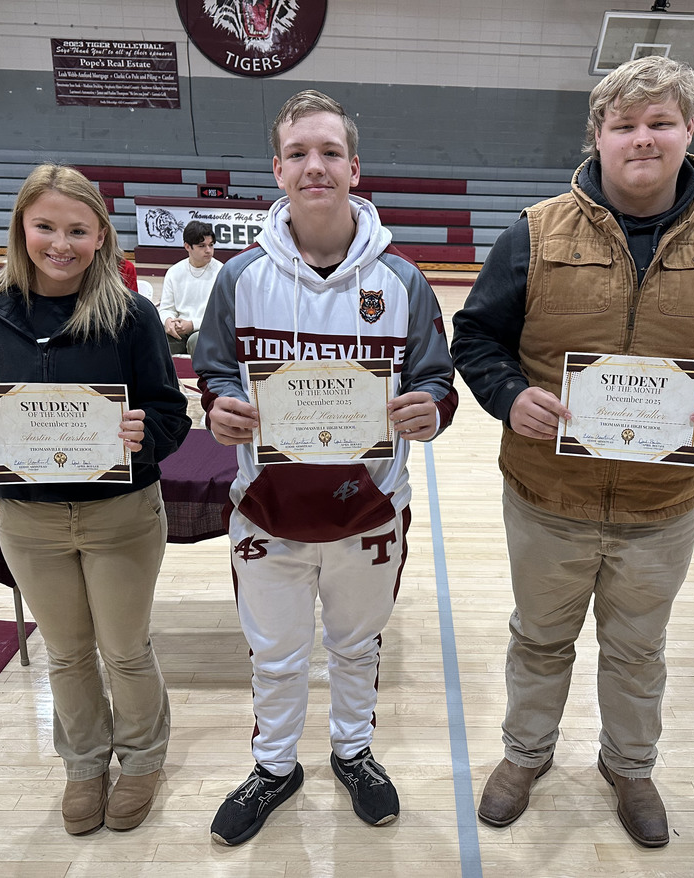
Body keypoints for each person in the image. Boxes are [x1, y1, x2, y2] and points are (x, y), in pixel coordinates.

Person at [451, 56, 694, 848]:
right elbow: (475, 336)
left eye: (660, 122)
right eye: (625, 125)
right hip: (547, 497)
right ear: (599, 137)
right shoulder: (533, 234)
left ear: (688, 133)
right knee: (538, 637)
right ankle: (525, 755)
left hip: (663, 506)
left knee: (638, 647)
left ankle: (630, 764)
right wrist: (511, 396)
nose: (643, 138)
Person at [193, 90, 458, 846]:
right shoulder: (240, 278)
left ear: (355, 168)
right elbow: (212, 373)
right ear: (277, 170)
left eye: (331, 152)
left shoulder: (402, 281)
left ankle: (353, 752)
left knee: (356, 646)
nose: (317, 166)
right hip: (265, 509)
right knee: (275, 657)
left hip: (370, 510)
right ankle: (275, 766)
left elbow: (438, 382)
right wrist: (219, 406)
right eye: (301, 153)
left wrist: (428, 411)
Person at [0, 164, 191, 835]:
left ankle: (141, 759)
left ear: (101, 235)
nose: (61, 242)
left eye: (77, 229)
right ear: (23, 227)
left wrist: (144, 434)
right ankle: (83, 764)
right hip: (27, 517)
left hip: (121, 514)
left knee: (126, 649)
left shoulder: (132, 316)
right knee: (67, 652)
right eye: (46, 226)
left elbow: (171, 415)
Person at [158, 220, 221, 355]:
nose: (208, 250)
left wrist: (192, 324)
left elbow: (221, 315)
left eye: (211, 245)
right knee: (158, 339)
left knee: (196, 340)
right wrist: (169, 321)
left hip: (208, 330)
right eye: (202, 246)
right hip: (180, 329)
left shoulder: (222, 272)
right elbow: (166, 308)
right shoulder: (174, 272)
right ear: (187, 246)